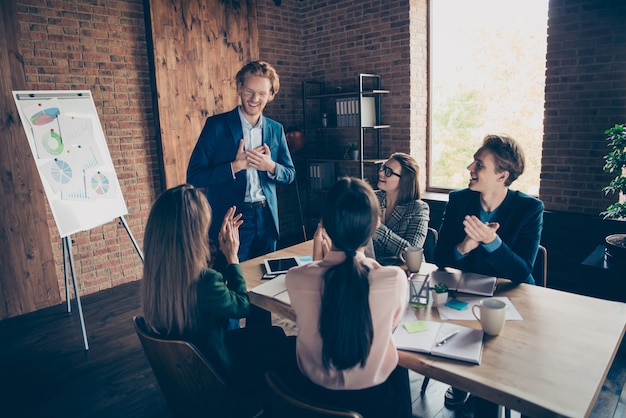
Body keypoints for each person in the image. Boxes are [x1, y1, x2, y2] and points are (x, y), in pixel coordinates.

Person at [140, 185, 293, 401]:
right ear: (192, 235)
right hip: (223, 372)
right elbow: (243, 307)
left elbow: (214, 293)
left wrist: (222, 253)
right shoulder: (204, 282)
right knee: (290, 347)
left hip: (197, 367)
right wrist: (232, 258)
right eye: (203, 227)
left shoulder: (161, 280)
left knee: (275, 334)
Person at [433, 134, 544, 417]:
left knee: (493, 369)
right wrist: (464, 246)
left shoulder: (529, 209)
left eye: (479, 164)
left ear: (502, 175)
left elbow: (522, 271)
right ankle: (460, 385)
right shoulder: (459, 200)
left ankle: (485, 398)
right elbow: (440, 258)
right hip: (465, 297)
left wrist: (492, 243)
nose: (470, 168)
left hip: (510, 301)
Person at [284, 177, 412, 418]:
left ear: (324, 225)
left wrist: (318, 262)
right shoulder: (393, 279)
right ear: (376, 224)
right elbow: (388, 326)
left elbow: (320, 293)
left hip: (313, 397)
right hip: (374, 404)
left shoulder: (295, 278)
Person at [186, 60, 295, 262]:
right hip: (232, 220)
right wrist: (234, 166)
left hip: (266, 218)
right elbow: (194, 176)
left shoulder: (276, 129)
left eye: (262, 94)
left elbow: (289, 174)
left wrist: (270, 166)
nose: (255, 99)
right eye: (249, 91)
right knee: (232, 281)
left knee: (265, 280)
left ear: (271, 95)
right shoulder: (216, 126)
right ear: (239, 88)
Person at [373, 152, 430, 258]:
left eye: (388, 172)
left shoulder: (418, 209)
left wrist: (377, 229)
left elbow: (412, 253)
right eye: (383, 168)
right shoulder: (371, 198)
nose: (381, 173)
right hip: (370, 268)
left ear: (404, 180)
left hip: (405, 270)